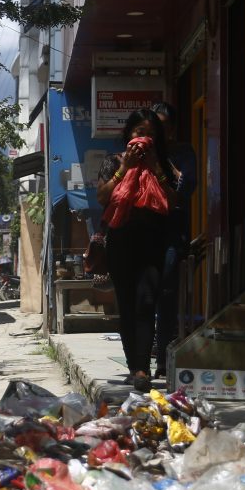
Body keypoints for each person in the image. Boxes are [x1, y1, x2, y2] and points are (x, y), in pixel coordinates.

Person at [96, 108, 180, 391]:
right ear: (129, 134)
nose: (145, 139)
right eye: (139, 132)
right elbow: (102, 197)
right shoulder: (113, 162)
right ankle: (134, 366)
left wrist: (157, 170)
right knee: (127, 305)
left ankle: (143, 369)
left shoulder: (163, 164)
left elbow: (172, 202)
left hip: (153, 241)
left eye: (151, 134)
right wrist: (126, 169)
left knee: (146, 302)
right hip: (121, 241)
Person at [151, 102, 198, 378]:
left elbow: (185, 187)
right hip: (146, 229)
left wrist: (163, 161)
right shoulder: (142, 152)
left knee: (167, 287)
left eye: (164, 127)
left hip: (172, 230)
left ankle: (163, 355)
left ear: (172, 128)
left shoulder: (183, 152)